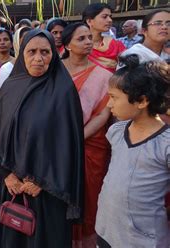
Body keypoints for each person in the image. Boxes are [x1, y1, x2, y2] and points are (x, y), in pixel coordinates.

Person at [0, 29, 84, 248]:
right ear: (21, 54)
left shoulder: (63, 90)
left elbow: (67, 145)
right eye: (32, 52)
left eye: (45, 52)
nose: (38, 58)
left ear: (53, 55)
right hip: (12, 184)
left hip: (48, 189)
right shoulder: (10, 87)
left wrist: (40, 181)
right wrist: (7, 175)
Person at [95, 57, 169, 248]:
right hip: (106, 230)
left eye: (114, 97)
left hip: (142, 240)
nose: (109, 105)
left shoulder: (165, 144)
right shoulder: (117, 132)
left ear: (142, 101)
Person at [61, 23, 112, 248]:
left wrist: (76, 138)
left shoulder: (104, 75)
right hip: (55, 144)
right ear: (67, 45)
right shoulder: (55, 71)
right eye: (81, 38)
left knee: (89, 197)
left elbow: (103, 113)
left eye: (90, 37)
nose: (88, 42)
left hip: (89, 145)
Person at [83, 3, 126, 72]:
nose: (110, 20)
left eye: (110, 17)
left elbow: (127, 70)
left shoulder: (116, 45)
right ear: (89, 21)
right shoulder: (76, 46)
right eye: (104, 17)